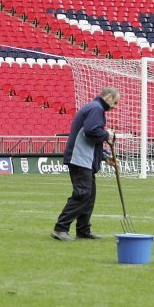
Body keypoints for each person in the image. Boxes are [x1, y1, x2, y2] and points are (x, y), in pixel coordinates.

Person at [52, 87, 120, 241]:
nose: (115, 106)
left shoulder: (94, 108)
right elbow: (91, 131)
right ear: (108, 97)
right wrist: (106, 134)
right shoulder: (96, 109)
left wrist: (104, 156)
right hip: (79, 159)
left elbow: (89, 139)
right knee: (82, 194)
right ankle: (60, 228)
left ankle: (83, 230)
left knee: (89, 196)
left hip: (85, 159)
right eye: (115, 102)